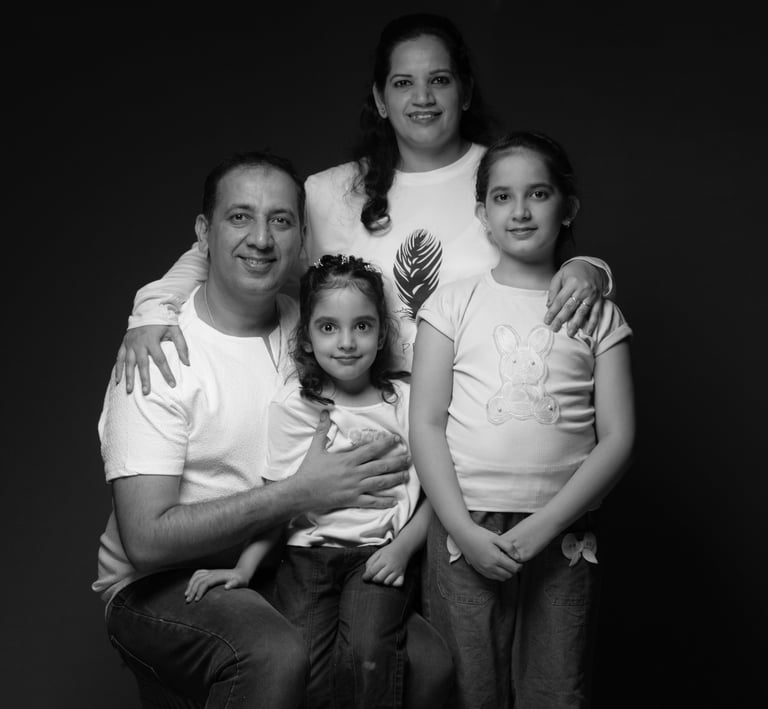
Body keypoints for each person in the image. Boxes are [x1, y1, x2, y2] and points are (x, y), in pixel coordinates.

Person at [92, 151, 450, 708]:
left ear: (300, 236)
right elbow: (145, 540)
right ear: (203, 232)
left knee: (427, 660)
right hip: (161, 583)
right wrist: (301, 493)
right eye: (240, 217)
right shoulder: (159, 353)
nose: (261, 238)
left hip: (294, 559)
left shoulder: (314, 326)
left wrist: (586, 270)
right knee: (276, 652)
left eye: (280, 220)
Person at [113, 13, 613, 395]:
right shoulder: (328, 192)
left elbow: (543, 253)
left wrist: (590, 267)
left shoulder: (503, 176)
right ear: (379, 99)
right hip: (367, 426)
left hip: (481, 424)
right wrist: (151, 310)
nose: (423, 98)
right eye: (403, 83)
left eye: (439, 79)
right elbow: (227, 247)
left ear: (464, 93)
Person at [409, 131, 635, 709]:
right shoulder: (452, 303)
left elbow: (618, 437)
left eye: (538, 193)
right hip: (468, 525)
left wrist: (544, 526)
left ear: (567, 208)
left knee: (554, 688)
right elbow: (427, 423)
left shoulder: (597, 311)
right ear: (482, 213)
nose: (521, 210)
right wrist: (460, 528)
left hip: (563, 527)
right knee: (468, 687)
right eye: (503, 198)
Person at [184, 254, 432, 709]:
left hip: (376, 558)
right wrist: (243, 569)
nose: (347, 342)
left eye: (362, 326)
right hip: (305, 560)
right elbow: (279, 501)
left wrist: (401, 549)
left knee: (368, 657)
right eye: (328, 327)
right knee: (306, 671)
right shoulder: (295, 408)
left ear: (381, 336)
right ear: (308, 335)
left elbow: (435, 494)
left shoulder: (408, 403)